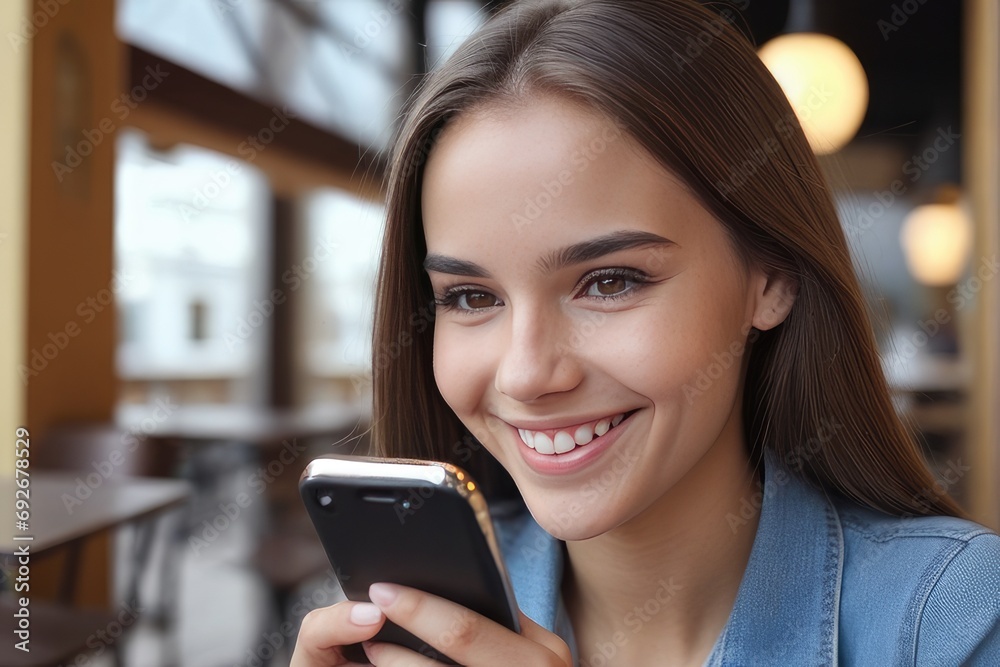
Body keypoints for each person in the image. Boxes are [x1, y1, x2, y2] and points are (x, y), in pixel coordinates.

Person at [291, 0, 1000, 664]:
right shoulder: (409, 620)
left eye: (609, 281)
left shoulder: (952, 618)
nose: (526, 373)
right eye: (471, 296)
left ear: (772, 277)